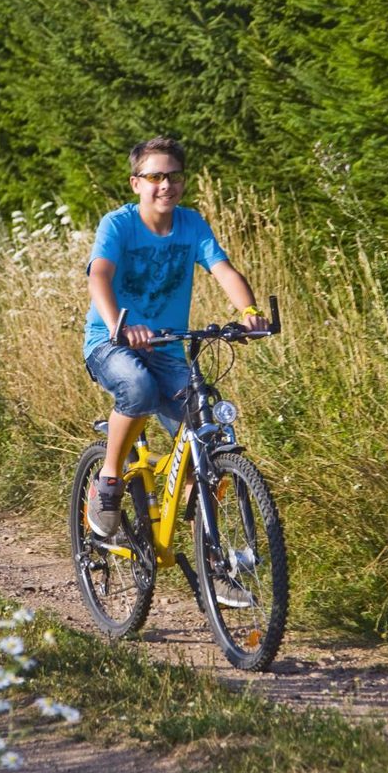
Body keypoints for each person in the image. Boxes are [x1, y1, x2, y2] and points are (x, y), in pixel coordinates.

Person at [82, 135, 268, 537]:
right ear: (136, 183)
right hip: (109, 342)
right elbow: (99, 275)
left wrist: (249, 312)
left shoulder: (191, 223)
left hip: (166, 347)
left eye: (174, 176)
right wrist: (120, 325)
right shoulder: (118, 224)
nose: (166, 185)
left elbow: (222, 269)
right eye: (155, 176)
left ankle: (211, 551)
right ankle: (109, 480)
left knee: (204, 418)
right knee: (138, 387)